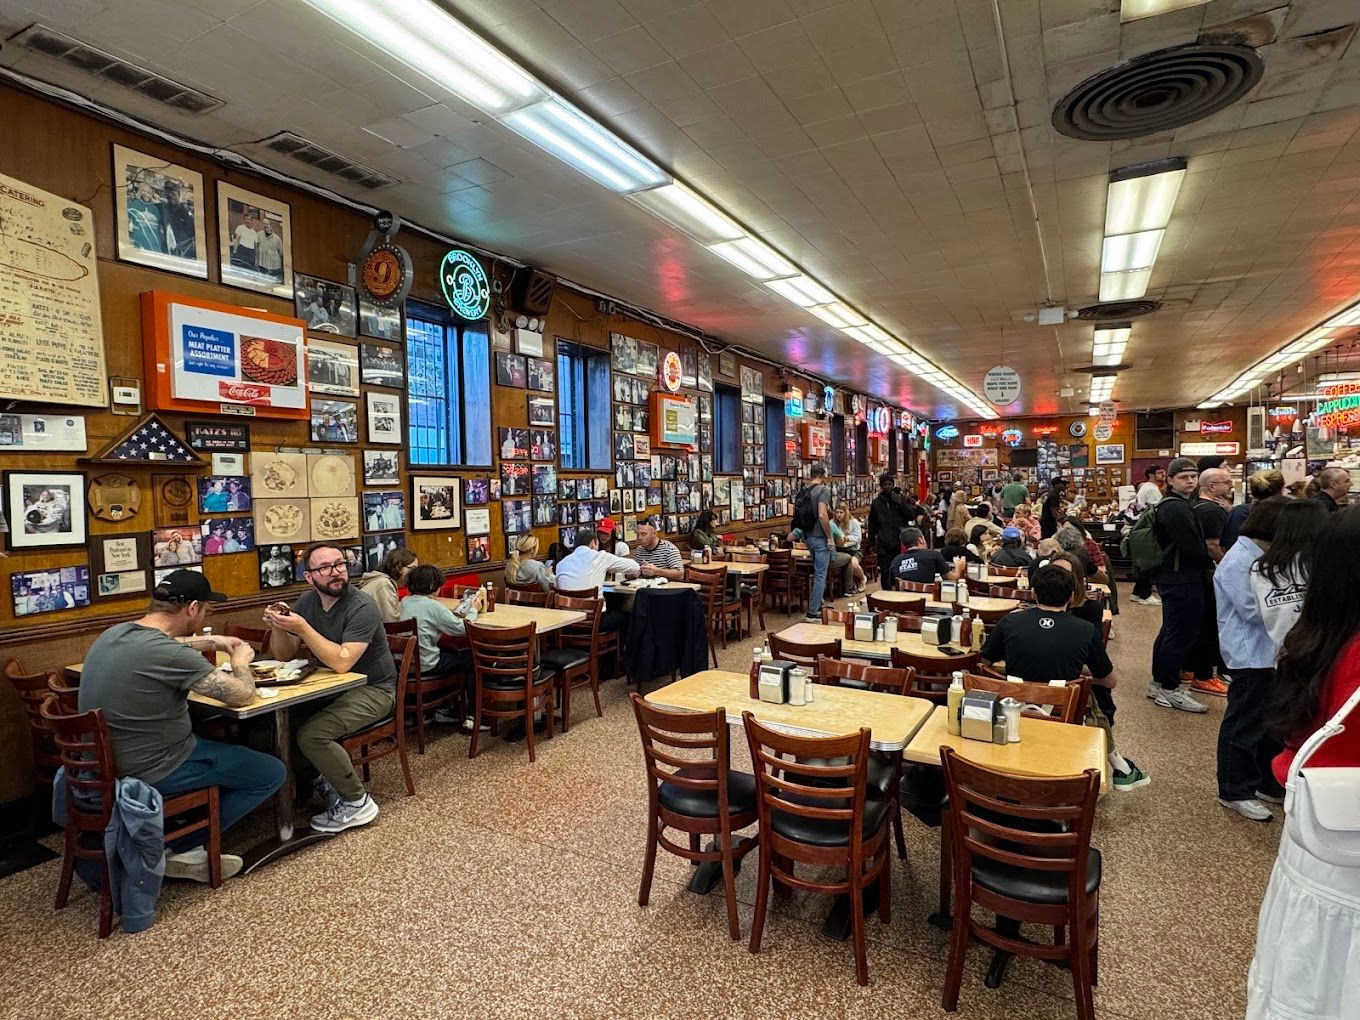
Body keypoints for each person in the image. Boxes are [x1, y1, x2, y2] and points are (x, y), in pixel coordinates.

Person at [78, 570, 285, 881]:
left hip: (99, 767)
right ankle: (177, 846)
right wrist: (240, 662)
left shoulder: (116, 633)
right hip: (154, 767)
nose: (203, 616)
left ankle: (179, 826)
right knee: (271, 772)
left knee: (217, 743)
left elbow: (166, 647)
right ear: (192, 608)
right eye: (205, 610)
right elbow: (242, 695)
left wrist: (210, 641)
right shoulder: (170, 654)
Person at [1247, 507, 1360, 1019]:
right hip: (1344, 850)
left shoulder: (1315, 636)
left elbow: (1292, 740)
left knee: (1302, 976)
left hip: (1314, 834)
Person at [264, 543, 398, 834]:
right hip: (332, 689)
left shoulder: (362, 606)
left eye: (340, 564)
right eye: (325, 567)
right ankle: (324, 781)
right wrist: (278, 626)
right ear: (309, 577)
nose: (336, 572)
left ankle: (357, 802)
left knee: (312, 734)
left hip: (375, 690)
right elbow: (284, 655)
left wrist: (302, 628)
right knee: (268, 729)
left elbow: (342, 662)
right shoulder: (307, 602)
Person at [1213, 497, 1290, 821]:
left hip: (1270, 651)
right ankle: (1235, 789)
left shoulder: (1265, 556)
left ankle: (1265, 781)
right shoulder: (1239, 560)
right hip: (1248, 653)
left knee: (1269, 721)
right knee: (1243, 723)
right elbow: (1251, 610)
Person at [1148, 458, 1213, 713]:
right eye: (1184, 477)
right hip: (1181, 577)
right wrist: (1209, 563)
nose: (1190, 481)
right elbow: (1192, 545)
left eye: (1193, 476)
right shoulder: (1176, 508)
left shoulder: (1173, 505)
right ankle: (1169, 688)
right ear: (1170, 480)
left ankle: (1159, 683)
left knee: (1170, 631)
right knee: (1180, 634)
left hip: (1172, 576)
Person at [399, 565, 483, 729]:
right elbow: (463, 629)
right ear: (433, 586)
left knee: (451, 651)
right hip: (426, 664)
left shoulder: (404, 602)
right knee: (473, 659)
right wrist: (474, 610)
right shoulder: (433, 606)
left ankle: (444, 706)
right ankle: (473, 715)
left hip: (404, 664)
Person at [1253, 499, 1328, 655]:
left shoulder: (1261, 567)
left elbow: (1261, 612)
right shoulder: (1325, 562)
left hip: (1282, 652)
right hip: (1323, 654)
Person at [1186, 467, 1234, 697]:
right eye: (1227, 481)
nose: (1231, 485)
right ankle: (1204, 676)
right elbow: (1212, 545)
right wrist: (1227, 567)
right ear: (1212, 486)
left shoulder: (1194, 506)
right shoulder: (1211, 511)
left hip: (1195, 574)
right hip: (1209, 573)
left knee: (1197, 624)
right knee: (1209, 625)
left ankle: (1188, 668)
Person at [798, 464, 836, 623]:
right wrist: (830, 537)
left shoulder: (803, 490)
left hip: (807, 536)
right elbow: (822, 515)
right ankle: (812, 612)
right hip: (820, 536)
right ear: (823, 475)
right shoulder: (823, 490)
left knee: (817, 571)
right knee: (821, 574)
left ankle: (819, 605)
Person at [555, 528, 640, 596]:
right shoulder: (601, 556)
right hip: (594, 610)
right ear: (593, 543)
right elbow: (635, 567)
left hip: (567, 610)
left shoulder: (561, 563)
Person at [1131, 465, 1167, 606]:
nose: (1163, 475)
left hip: (1143, 527)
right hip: (1149, 528)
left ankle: (1136, 592)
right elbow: (1157, 511)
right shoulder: (1151, 489)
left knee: (1147, 563)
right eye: (1159, 473)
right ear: (1151, 475)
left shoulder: (1146, 487)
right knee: (1151, 563)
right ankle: (1145, 595)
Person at [1223, 470, 1283, 550]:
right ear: (1281, 489)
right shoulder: (1287, 513)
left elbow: (1228, 545)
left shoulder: (1239, 512)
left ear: (1251, 490)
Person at [357, 547, 418, 623]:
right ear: (399, 567)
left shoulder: (383, 581)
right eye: (412, 568)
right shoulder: (384, 584)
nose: (415, 573)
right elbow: (391, 622)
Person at [867, 472, 911, 569]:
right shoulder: (876, 502)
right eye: (885, 484)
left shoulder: (901, 498)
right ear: (881, 486)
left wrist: (900, 503)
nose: (887, 486)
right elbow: (872, 523)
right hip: (883, 542)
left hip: (899, 540)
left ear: (893, 485)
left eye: (889, 484)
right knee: (885, 570)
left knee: (900, 569)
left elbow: (910, 515)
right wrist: (871, 542)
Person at [888, 526, 959, 585]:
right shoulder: (934, 555)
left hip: (903, 597)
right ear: (920, 540)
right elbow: (951, 579)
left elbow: (892, 586)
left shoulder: (896, 561)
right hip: (927, 596)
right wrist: (959, 566)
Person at [254, 217, 284, 281]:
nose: (265, 225)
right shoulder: (258, 234)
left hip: (274, 266)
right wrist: (256, 260)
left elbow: (280, 253)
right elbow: (256, 248)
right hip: (262, 264)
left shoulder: (277, 238)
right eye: (264, 223)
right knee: (262, 281)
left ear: (271, 226)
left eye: (267, 224)